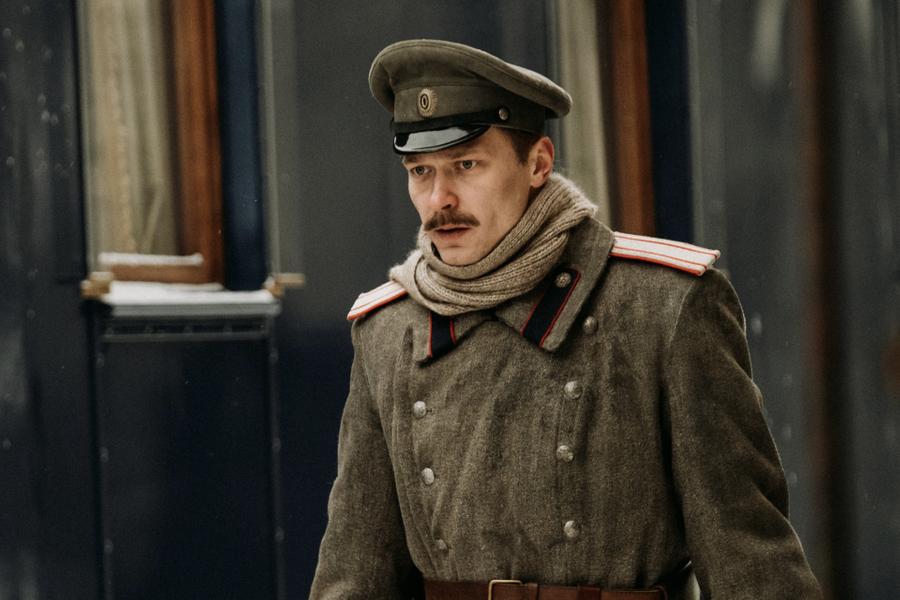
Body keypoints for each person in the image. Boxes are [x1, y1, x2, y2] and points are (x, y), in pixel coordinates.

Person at [310, 39, 821, 600]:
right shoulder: (388, 331)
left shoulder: (663, 306)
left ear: (538, 163)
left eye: (466, 165)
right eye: (420, 171)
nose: (439, 199)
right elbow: (355, 569)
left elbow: (748, 556)